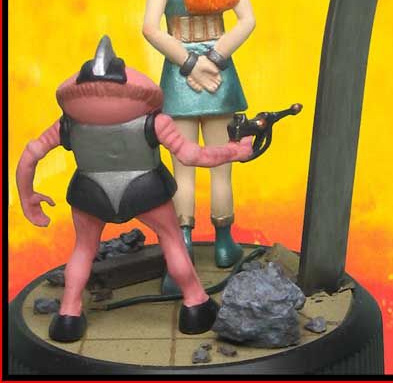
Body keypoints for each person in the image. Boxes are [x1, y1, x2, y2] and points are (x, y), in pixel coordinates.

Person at [16, 36, 252, 342]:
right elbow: (193, 155)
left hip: (91, 193)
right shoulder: (153, 122)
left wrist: (27, 197)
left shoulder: (68, 124)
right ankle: (195, 304)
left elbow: (31, 155)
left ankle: (68, 316)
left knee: (83, 250)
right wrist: (234, 151)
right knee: (172, 241)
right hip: (145, 191)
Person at [143, 0, 256, 278]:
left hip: (180, 80)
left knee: (183, 167)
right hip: (219, 78)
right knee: (222, 164)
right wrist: (214, 58)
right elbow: (246, 20)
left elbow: (151, 28)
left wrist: (189, 63)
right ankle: (224, 243)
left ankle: (185, 243)